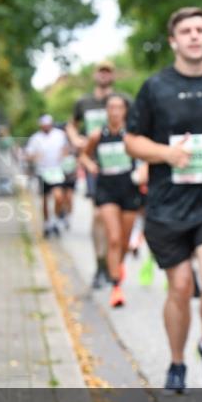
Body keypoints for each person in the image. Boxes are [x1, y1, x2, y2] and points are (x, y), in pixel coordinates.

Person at [125, 7, 202, 393]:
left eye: (200, 29)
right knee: (178, 288)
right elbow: (132, 140)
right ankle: (177, 363)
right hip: (167, 205)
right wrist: (166, 154)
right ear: (173, 41)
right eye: (185, 31)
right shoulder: (155, 87)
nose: (193, 36)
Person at [79, 94, 146, 308]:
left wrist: (144, 171)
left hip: (129, 188)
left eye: (119, 107)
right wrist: (90, 166)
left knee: (124, 241)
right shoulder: (98, 135)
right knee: (114, 238)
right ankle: (116, 287)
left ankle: (117, 267)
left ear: (125, 111)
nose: (115, 111)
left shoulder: (132, 135)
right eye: (111, 107)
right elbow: (83, 156)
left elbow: (146, 156)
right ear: (106, 111)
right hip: (107, 189)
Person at [68, 61, 119, 289]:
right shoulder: (84, 102)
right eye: (101, 71)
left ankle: (113, 263)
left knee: (116, 220)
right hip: (94, 165)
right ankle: (100, 266)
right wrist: (77, 140)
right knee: (98, 214)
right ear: (95, 74)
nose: (104, 75)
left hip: (120, 163)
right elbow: (71, 125)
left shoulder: (122, 100)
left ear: (113, 75)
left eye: (108, 71)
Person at [26, 115, 70, 238]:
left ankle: (55, 221)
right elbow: (29, 154)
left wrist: (63, 155)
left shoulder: (60, 135)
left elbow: (66, 148)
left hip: (56, 171)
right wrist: (35, 156)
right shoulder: (35, 138)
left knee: (59, 197)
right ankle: (47, 223)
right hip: (42, 172)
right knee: (45, 199)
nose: (46, 127)